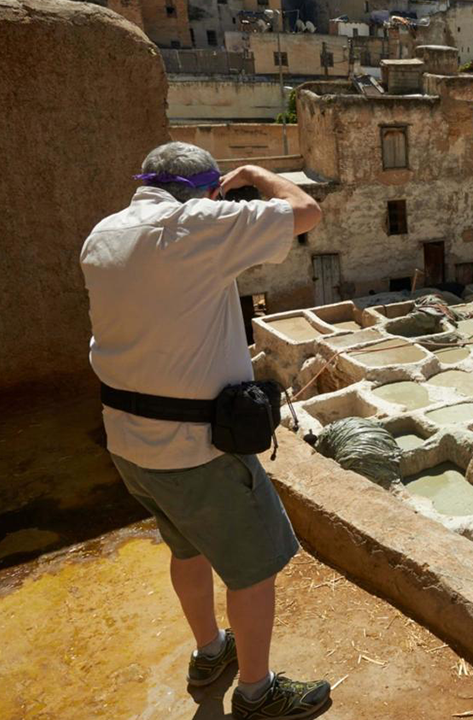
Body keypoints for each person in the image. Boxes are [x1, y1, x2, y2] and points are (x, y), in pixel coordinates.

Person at [80, 142, 329, 719]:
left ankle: (211, 652)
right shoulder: (199, 225)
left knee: (187, 549)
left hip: (128, 441)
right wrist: (257, 175)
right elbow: (306, 211)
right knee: (253, 566)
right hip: (196, 450)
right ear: (208, 191)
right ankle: (257, 692)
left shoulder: (103, 234)